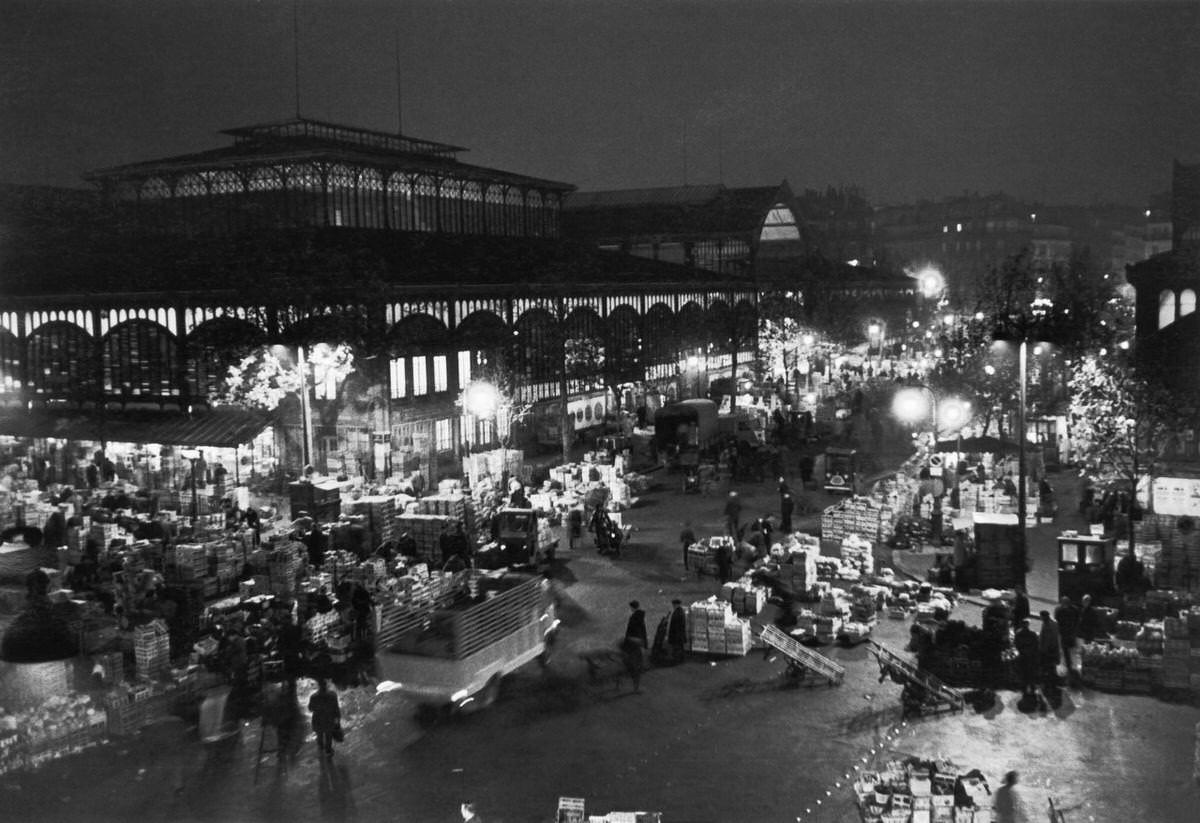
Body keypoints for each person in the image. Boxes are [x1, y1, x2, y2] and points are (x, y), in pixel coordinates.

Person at [308, 678, 341, 757]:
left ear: (318, 686)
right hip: (329, 720)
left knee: (319, 736)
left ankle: (321, 748)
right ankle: (328, 751)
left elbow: (310, 708)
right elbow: (336, 708)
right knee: (328, 736)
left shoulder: (313, 696)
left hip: (318, 721)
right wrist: (337, 720)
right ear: (326, 685)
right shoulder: (332, 695)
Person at [622, 601, 648, 693]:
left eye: (630, 607)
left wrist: (628, 640)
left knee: (635, 666)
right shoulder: (640, 616)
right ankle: (636, 687)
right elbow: (643, 631)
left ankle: (636, 688)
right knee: (637, 666)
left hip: (633, 645)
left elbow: (632, 631)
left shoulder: (634, 617)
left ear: (632, 607)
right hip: (637, 644)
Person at [1013, 619, 1041, 701]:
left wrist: (1022, 650)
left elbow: (1016, 644)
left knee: (1023, 672)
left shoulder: (1018, 634)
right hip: (1031, 656)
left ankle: (1024, 687)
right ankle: (1032, 687)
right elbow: (1036, 645)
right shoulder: (1032, 634)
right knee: (1031, 672)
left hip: (1023, 655)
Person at [1054, 595, 1081, 679]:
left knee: (1068, 650)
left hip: (1067, 633)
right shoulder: (1073, 609)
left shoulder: (1060, 610)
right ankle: (1071, 667)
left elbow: (1057, 619)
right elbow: (1077, 620)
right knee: (1068, 650)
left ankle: (1070, 667)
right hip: (1068, 633)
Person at [1038, 610, 1062, 697]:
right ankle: (1054, 682)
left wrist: (1042, 650)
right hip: (1054, 648)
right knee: (1052, 666)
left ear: (1043, 617)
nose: (1040, 618)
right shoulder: (1054, 623)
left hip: (1048, 650)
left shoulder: (1047, 625)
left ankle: (1049, 684)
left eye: (1041, 617)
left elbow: (1047, 640)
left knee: (1047, 667)